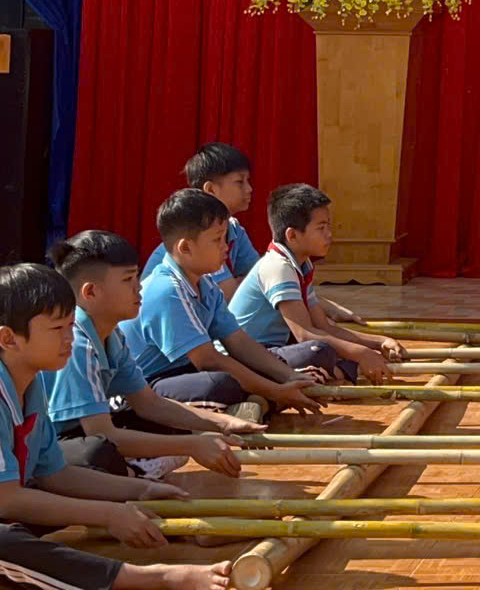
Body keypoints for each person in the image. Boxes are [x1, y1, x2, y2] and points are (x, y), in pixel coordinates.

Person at [0, 262, 228, 590]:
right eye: (57, 329)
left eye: (71, 326)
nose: (69, 339)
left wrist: (140, 490)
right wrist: (108, 513)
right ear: (9, 339)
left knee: (86, 472)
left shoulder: (30, 387)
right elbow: (9, 502)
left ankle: (156, 528)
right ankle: (154, 578)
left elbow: (55, 475)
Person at [47, 230, 261, 478]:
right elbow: (102, 433)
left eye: (136, 277)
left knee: (170, 425)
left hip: (86, 432)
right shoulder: (76, 343)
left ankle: (132, 473)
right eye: (128, 280)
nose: (138, 287)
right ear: (91, 292)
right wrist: (192, 445)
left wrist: (223, 424)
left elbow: (149, 403)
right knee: (97, 452)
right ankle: (131, 475)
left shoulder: (111, 334)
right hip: (54, 443)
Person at [128, 189, 327, 413]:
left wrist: (289, 376)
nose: (226, 247)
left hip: (186, 373)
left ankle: (256, 405)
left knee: (305, 355)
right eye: (217, 240)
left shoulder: (205, 285)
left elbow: (238, 342)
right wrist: (275, 389)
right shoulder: (167, 290)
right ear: (185, 248)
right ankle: (261, 402)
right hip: (145, 388)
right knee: (219, 384)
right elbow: (208, 360)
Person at [227, 184, 407, 383]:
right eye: (321, 228)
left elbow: (323, 327)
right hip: (247, 358)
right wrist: (361, 353)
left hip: (272, 351)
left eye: (328, 226)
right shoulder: (278, 267)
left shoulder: (300, 265)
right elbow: (305, 335)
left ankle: (335, 372)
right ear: (292, 235)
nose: (329, 234)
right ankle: (334, 372)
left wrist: (379, 342)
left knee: (332, 349)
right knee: (317, 351)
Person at [140, 144, 261, 297]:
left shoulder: (235, 230)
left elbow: (260, 281)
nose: (249, 189)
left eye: (248, 181)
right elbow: (231, 297)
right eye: (240, 182)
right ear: (210, 189)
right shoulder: (200, 234)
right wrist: (240, 286)